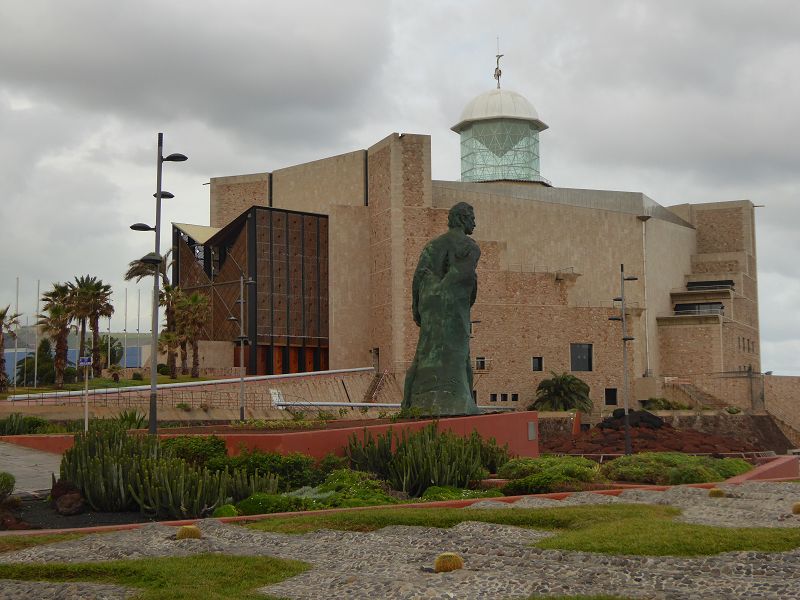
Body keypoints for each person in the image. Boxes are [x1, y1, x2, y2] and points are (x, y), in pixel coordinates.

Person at [402, 201, 481, 416]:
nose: (475, 223)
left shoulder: (432, 246)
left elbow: (418, 276)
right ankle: (457, 402)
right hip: (452, 307)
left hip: (429, 303)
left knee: (425, 350)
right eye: (472, 218)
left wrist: (416, 306)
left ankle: (414, 402)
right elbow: (463, 279)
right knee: (457, 352)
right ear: (463, 219)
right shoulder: (469, 247)